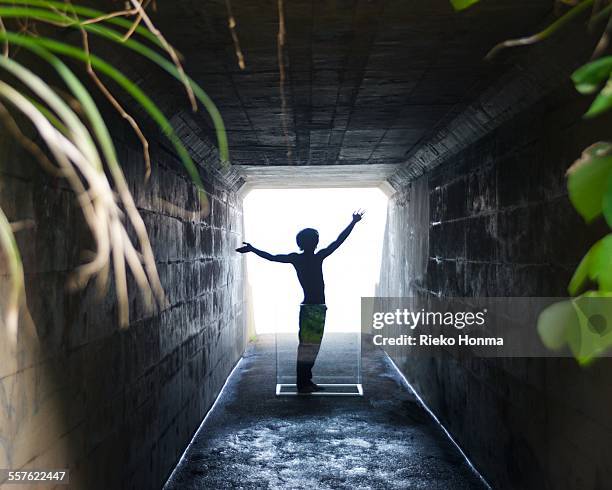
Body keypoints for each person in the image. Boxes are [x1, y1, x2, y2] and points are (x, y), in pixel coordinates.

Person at [236, 210, 365, 393]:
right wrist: (353, 223)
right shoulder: (317, 257)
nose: (317, 242)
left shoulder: (298, 258)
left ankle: (305, 381)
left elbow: (272, 257)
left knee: (308, 345)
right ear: (314, 242)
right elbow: (338, 242)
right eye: (315, 239)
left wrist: (253, 249)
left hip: (312, 307)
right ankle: (303, 383)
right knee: (310, 346)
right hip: (315, 308)